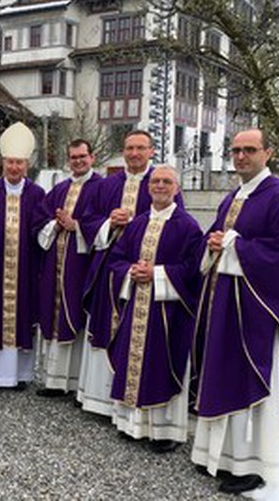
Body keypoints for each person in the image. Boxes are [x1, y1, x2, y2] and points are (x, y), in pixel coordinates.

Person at [191, 129, 279, 494]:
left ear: (267, 152)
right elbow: (217, 239)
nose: (240, 156)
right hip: (224, 303)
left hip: (256, 310)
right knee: (222, 374)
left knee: (249, 381)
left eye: (249, 150)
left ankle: (253, 464)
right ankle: (221, 456)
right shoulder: (234, 196)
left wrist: (234, 245)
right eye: (235, 150)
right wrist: (213, 244)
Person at [78, 130, 182, 416]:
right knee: (103, 326)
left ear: (151, 151)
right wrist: (109, 223)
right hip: (110, 270)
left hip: (148, 278)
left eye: (140, 148)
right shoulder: (107, 185)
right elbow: (87, 220)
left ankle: (132, 401)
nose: (134, 153)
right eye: (129, 148)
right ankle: (99, 398)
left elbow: (178, 232)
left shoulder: (163, 183)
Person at [107, 165, 202, 453]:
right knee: (133, 361)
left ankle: (165, 432)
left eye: (167, 181)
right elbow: (117, 256)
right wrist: (130, 270)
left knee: (162, 363)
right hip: (136, 303)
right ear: (149, 187)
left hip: (167, 312)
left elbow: (193, 270)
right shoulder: (137, 223)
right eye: (156, 181)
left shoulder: (188, 226)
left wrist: (157, 274)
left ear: (177, 188)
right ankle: (131, 425)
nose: (160, 185)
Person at [33, 139, 101, 397]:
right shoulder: (59, 189)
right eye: (73, 157)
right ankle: (55, 381)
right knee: (53, 316)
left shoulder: (102, 188)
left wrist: (78, 227)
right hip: (54, 266)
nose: (78, 161)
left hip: (82, 266)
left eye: (82, 156)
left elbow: (104, 223)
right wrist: (55, 225)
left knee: (78, 315)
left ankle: (76, 383)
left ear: (92, 158)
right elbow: (39, 221)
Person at [0, 122, 44, 389]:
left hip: (26, 268)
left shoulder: (38, 193)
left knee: (23, 316)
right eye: (10, 163)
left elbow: (42, 229)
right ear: (3, 164)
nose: (14, 168)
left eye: (19, 163)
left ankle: (20, 375)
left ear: (26, 164)